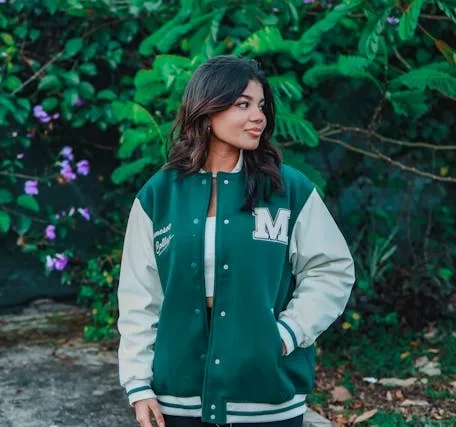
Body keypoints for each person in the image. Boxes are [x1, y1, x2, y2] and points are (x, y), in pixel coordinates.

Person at [116, 55, 355, 427]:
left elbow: (331, 270)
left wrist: (283, 337)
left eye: (261, 106)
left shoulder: (287, 190)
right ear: (206, 109)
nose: (258, 116)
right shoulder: (159, 195)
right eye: (243, 104)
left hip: (267, 392)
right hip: (178, 396)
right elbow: (139, 296)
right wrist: (138, 384)